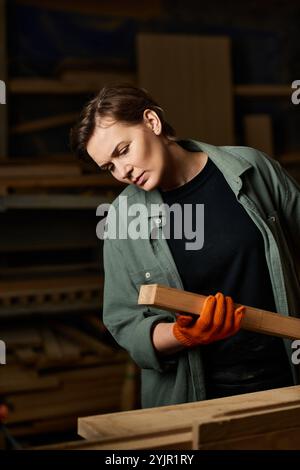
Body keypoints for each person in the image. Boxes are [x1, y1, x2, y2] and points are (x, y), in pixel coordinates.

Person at [71, 84, 300, 408]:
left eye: (123, 151)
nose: (123, 172)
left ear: (152, 122)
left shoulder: (252, 169)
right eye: (110, 167)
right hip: (198, 399)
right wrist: (183, 335)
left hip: (288, 382)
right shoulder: (122, 220)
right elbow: (125, 323)